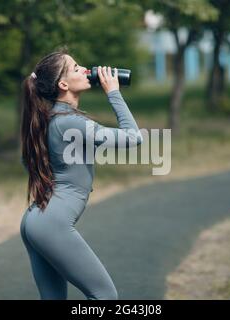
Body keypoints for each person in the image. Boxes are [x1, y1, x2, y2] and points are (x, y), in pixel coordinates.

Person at [19, 48, 143, 300]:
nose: (86, 70)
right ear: (63, 84)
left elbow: (27, 161)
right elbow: (134, 137)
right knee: (105, 295)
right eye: (76, 68)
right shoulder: (69, 122)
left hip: (35, 220)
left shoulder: (54, 118)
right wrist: (114, 93)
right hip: (50, 224)